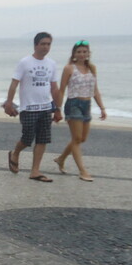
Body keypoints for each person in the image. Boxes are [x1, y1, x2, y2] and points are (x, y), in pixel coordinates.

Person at [3, 32, 63, 181]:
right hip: (28, 108)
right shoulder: (25, 62)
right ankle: (16, 153)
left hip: (46, 107)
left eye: (48, 44)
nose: (46, 47)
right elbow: (14, 83)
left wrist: (58, 108)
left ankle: (35, 171)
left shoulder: (51, 64)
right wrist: (9, 102)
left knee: (42, 140)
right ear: (36, 45)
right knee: (27, 138)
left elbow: (54, 88)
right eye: (43, 44)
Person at [53, 40, 106, 182]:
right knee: (76, 139)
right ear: (74, 54)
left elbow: (95, 90)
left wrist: (102, 108)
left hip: (86, 104)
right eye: (79, 52)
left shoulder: (92, 68)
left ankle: (61, 159)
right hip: (74, 104)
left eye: (84, 52)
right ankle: (83, 171)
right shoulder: (69, 68)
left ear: (88, 53)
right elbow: (62, 89)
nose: (82, 54)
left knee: (82, 139)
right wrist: (57, 108)